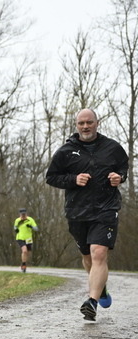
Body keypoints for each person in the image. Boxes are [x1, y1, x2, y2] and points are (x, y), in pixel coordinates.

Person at [45, 108, 129, 321]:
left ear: (96, 123)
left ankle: (91, 301)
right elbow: (51, 177)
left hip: (106, 209)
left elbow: (123, 168)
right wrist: (73, 179)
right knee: (87, 256)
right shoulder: (66, 151)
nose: (85, 126)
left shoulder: (113, 148)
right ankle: (101, 289)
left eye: (89, 122)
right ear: (76, 125)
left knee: (98, 253)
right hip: (77, 211)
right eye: (81, 123)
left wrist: (119, 177)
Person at [13, 208, 38, 272]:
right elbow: (15, 226)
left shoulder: (30, 219)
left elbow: (36, 229)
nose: (23, 216)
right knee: (24, 251)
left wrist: (31, 226)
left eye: (24, 214)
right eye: (22, 215)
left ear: (26, 214)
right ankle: (24, 265)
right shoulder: (17, 220)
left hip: (28, 238)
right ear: (20, 215)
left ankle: (23, 262)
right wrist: (16, 229)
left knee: (28, 252)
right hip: (20, 238)